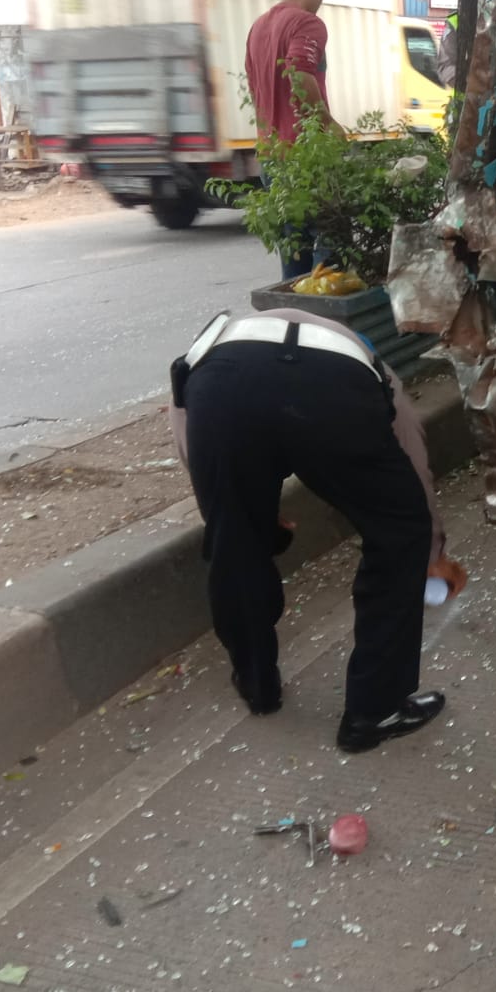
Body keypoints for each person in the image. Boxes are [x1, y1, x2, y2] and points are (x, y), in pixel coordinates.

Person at [169, 307, 464, 753]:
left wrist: (240, 515)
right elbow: (413, 467)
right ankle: (373, 710)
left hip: (224, 394)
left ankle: (257, 685)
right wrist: (430, 552)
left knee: (235, 542)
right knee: (400, 531)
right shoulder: (368, 363)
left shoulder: (218, 344)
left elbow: (189, 436)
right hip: (329, 397)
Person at [245, 0, 346, 280]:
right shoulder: (308, 24)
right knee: (332, 247)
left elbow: (256, 89)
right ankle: (330, 327)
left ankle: (297, 326)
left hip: (272, 160)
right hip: (306, 158)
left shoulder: (257, 29)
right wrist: (328, 125)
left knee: (295, 256)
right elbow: (300, 73)